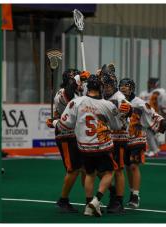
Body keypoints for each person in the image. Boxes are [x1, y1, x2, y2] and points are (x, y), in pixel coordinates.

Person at [50, 74, 121, 217]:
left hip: (83, 146)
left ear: (88, 87)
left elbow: (65, 124)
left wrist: (53, 122)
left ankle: (88, 206)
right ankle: (96, 200)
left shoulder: (77, 102)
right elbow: (117, 125)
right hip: (102, 146)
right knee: (109, 172)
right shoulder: (108, 105)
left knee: (89, 173)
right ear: (100, 87)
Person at [119, 78, 166, 208]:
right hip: (123, 138)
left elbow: (152, 113)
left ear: (131, 88)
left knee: (133, 166)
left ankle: (136, 196)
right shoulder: (117, 101)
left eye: (126, 86)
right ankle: (131, 193)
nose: (123, 88)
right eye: (121, 86)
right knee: (127, 167)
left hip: (138, 138)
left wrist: (163, 122)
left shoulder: (140, 103)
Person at [46, 69, 86, 213]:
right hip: (65, 136)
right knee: (72, 169)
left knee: (85, 169)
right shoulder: (62, 92)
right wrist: (78, 79)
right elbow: (67, 96)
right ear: (71, 80)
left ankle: (90, 199)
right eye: (77, 79)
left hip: (77, 136)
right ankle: (63, 200)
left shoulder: (79, 93)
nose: (81, 82)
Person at [100, 64, 131, 213]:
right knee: (102, 169)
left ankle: (118, 201)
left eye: (109, 85)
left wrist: (128, 110)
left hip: (119, 138)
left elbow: (128, 107)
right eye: (104, 85)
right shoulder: (101, 96)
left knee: (118, 169)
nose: (106, 88)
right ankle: (112, 193)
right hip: (106, 138)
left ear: (114, 85)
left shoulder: (119, 97)